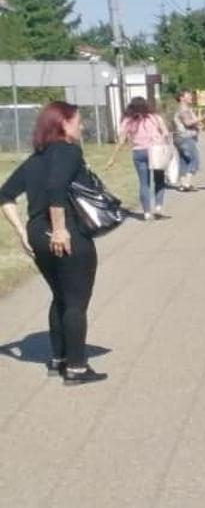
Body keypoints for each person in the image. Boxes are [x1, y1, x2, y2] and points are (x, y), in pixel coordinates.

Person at [0, 102, 108, 384]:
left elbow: (5, 195)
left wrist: (23, 232)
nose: (81, 126)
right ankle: (77, 368)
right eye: (77, 121)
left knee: (60, 296)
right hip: (67, 233)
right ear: (62, 124)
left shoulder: (36, 158)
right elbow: (56, 188)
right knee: (76, 302)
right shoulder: (69, 151)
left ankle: (59, 358)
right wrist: (60, 230)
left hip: (37, 234)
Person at [110, 96, 172, 220]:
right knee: (159, 180)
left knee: (144, 183)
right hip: (155, 151)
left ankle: (146, 212)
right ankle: (158, 207)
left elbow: (121, 140)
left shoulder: (128, 121)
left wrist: (113, 157)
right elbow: (165, 133)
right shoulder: (154, 118)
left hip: (138, 152)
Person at [171, 91, 205, 191]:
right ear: (181, 98)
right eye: (188, 96)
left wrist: (197, 125)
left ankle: (183, 184)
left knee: (184, 161)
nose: (191, 97)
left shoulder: (182, 109)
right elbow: (187, 123)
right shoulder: (183, 109)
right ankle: (187, 183)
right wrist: (203, 117)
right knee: (195, 160)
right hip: (185, 137)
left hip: (179, 137)